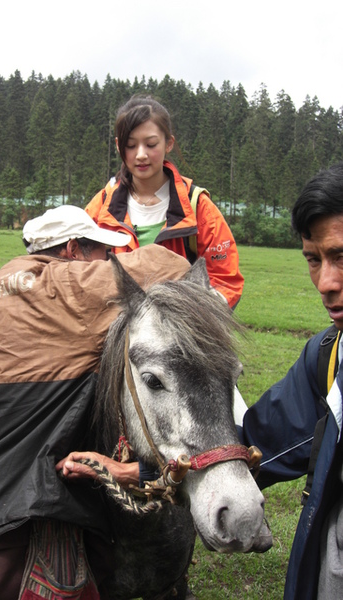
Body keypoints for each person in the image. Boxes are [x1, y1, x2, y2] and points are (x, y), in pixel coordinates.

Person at [0, 205, 191, 600]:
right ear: (73, 250)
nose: (110, 260)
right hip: (18, 537)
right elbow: (170, 265)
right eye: (103, 252)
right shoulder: (69, 287)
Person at [242, 162, 343, 599]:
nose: (326, 282)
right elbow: (261, 440)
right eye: (313, 259)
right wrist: (149, 470)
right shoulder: (328, 356)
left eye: (341, 257)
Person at [85, 94, 244, 310]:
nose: (141, 155)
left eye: (151, 144)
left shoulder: (197, 206)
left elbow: (225, 280)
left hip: (177, 335)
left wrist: (192, 317)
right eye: (130, 146)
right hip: (112, 334)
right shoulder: (101, 206)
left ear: (169, 143)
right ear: (118, 146)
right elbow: (76, 267)